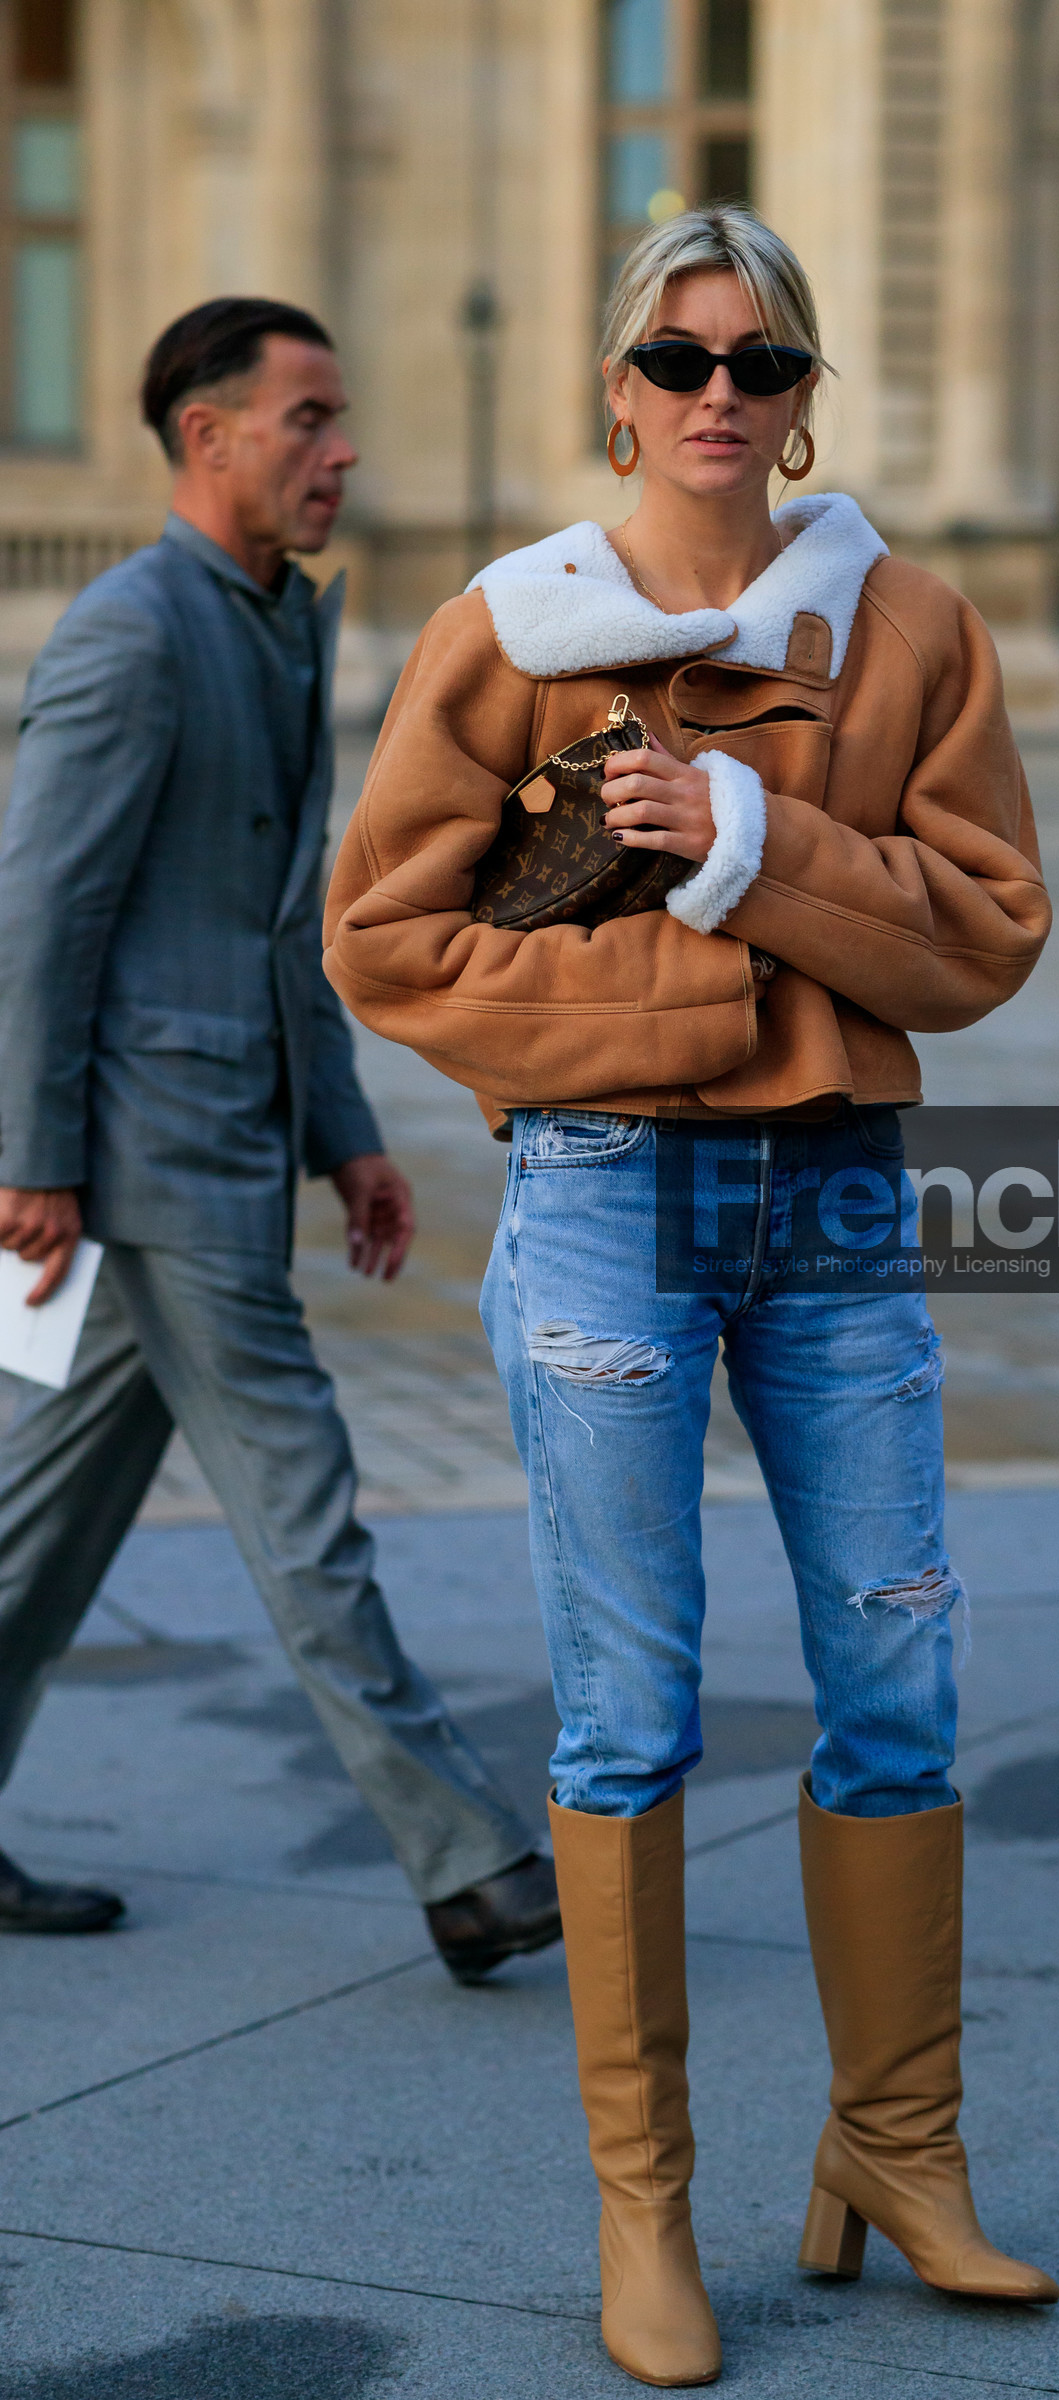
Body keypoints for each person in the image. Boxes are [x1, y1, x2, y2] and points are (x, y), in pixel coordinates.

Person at [324, 207, 1056, 2385]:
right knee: (626, 1717)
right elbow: (388, 943)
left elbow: (986, 934)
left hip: (834, 1199)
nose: (714, 400)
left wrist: (749, 831)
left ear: (805, 387)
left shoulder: (907, 625)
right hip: (605, 1193)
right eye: (676, 360)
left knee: (899, 1694)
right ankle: (647, 2215)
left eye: (756, 363)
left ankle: (895, 2151)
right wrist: (703, 971)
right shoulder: (508, 631)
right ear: (614, 387)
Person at [0, 297, 561, 1982]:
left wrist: (344, 1129)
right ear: (210, 435)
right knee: (303, 1494)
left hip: (232, 1132)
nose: (344, 451)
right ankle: (467, 1860)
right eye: (309, 419)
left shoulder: (276, 624)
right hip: (149, 1154)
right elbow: (40, 908)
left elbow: (278, 913)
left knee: (46, 1515)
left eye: (339, 419)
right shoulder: (133, 631)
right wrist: (27, 1154)